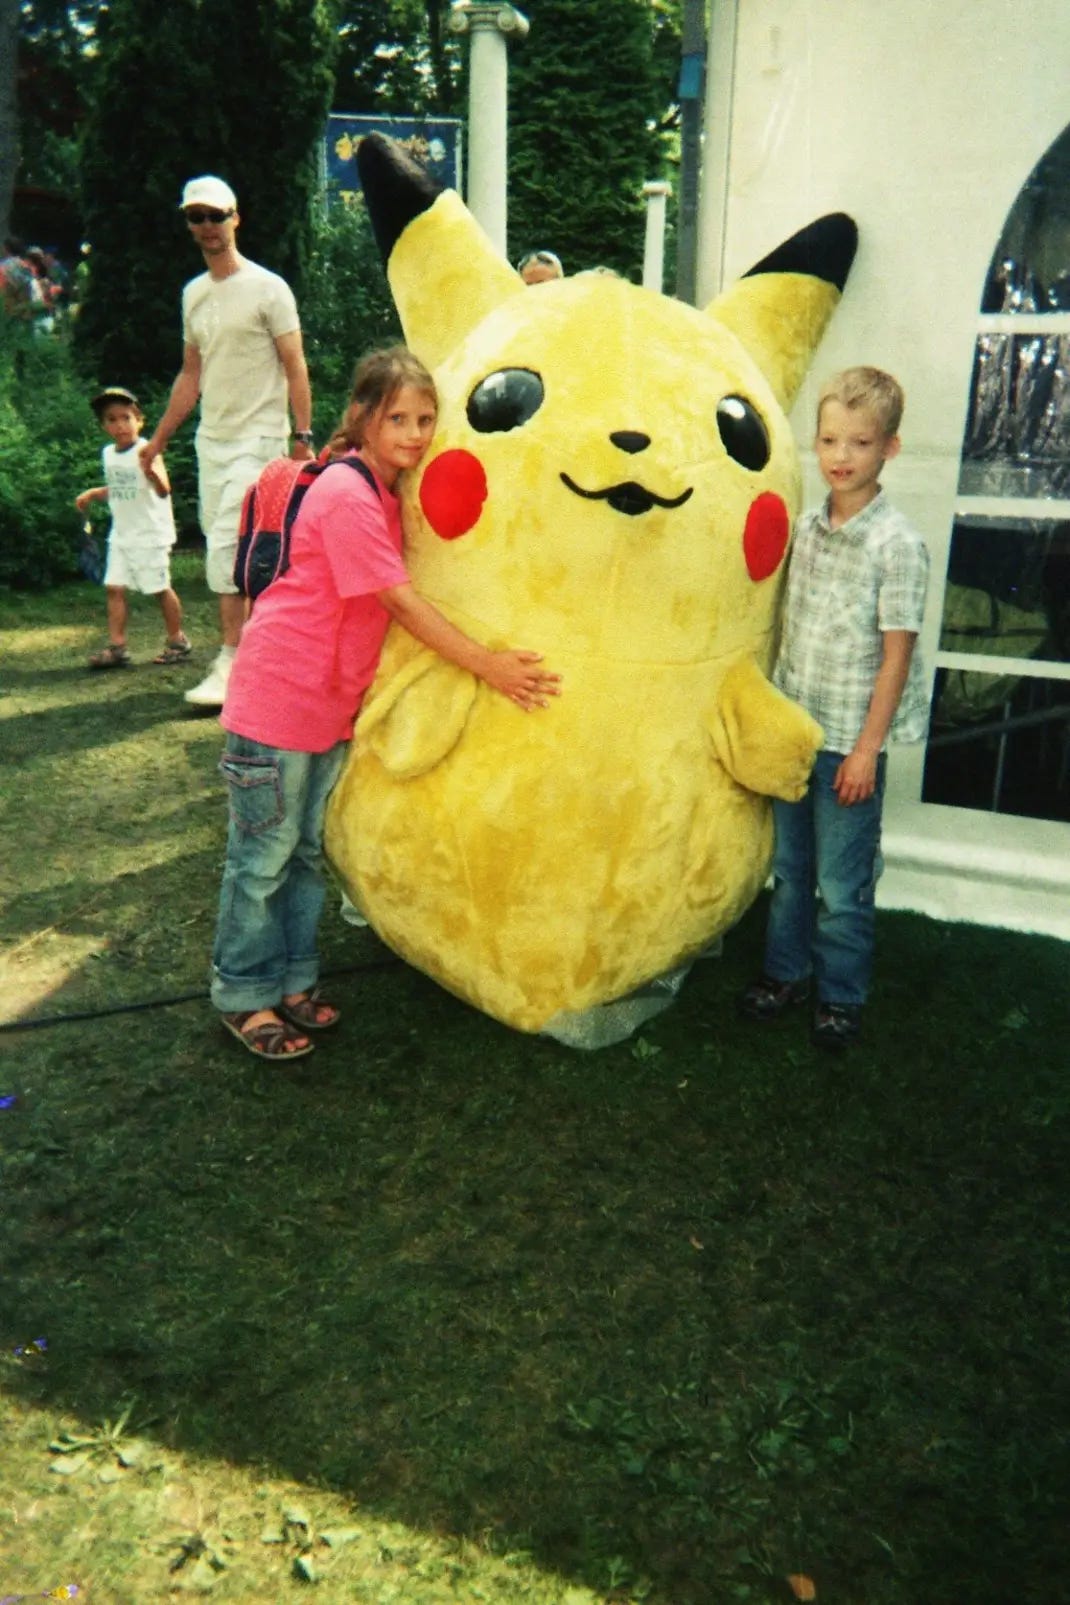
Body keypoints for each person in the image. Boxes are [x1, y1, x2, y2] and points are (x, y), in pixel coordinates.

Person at [211, 346, 561, 1062]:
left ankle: (295, 981)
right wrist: (490, 666)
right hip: (278, 702)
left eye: (426, 419)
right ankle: (244, 993)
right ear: (363, 417)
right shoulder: (346, 494)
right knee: (262, 858)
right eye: (398, 417)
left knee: (306, 854)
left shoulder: (383, 492)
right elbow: (399, 602)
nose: (414, 432)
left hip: (325, 707)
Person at [738, 366, 930, 1050]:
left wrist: (865, 751)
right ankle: (784, 973)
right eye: (828, 440)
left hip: (848, 741)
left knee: (840, 884)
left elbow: (897, 657)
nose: (840, 457)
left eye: (859, 442)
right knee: (790, 870)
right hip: (798, 728)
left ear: (890, 449)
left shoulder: (896, 545)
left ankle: (840, 994)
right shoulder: (809, 528)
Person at [139, 175, 314, 709]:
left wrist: (302, 437)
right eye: (197, 217)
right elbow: (190, 375)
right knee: (241, 556)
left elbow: (295, 365)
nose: (208, 227)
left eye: (217, 216)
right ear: (188, 223)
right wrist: (156, 443)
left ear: (237, 218)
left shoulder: (269, 288)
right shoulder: (193, 294)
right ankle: (264, 656)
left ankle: (232, 661)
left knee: (226, 545)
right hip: (211, 441)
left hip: (260, 441)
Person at [75, 386, 190, 670]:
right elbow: (119, 487)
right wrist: (93, 493)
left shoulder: (146, 449)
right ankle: (117, 647)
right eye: (111, 419)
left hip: (150, 534)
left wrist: (151, 472)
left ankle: (178, 640)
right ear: (104, 425)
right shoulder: (108, 454)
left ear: (139, 419)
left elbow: (163, 490)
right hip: (122, 535)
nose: (120, 425)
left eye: (126, 417)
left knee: (159, 588)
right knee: (114, 588)